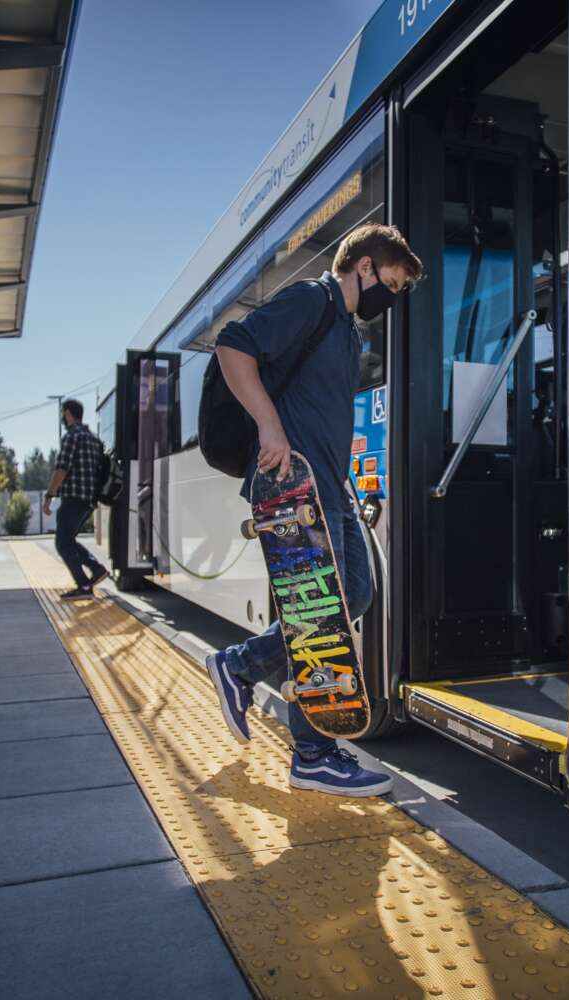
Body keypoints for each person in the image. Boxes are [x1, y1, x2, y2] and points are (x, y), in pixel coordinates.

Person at [205, 223, 422, 797]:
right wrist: (270, 428)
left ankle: (243, 665)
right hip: (293, 487)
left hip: (330, 487)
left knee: (356, 591)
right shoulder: (312, 299)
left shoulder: (346, 332)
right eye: (394, 285)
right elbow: (232, 346)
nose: (392, 299)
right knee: (318, 614)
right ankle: (313, 751)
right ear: (366, 267)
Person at [44, 399, 108, 600]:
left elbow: (62, 468)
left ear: (69, 413)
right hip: (89, 500)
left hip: (73, 498)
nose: (63, 418)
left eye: (63, 414)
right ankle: (96, 569)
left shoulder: (72, 436)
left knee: (63, 543)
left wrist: (49, 496)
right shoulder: (93, 438)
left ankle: (84, 586)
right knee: (68, 540)